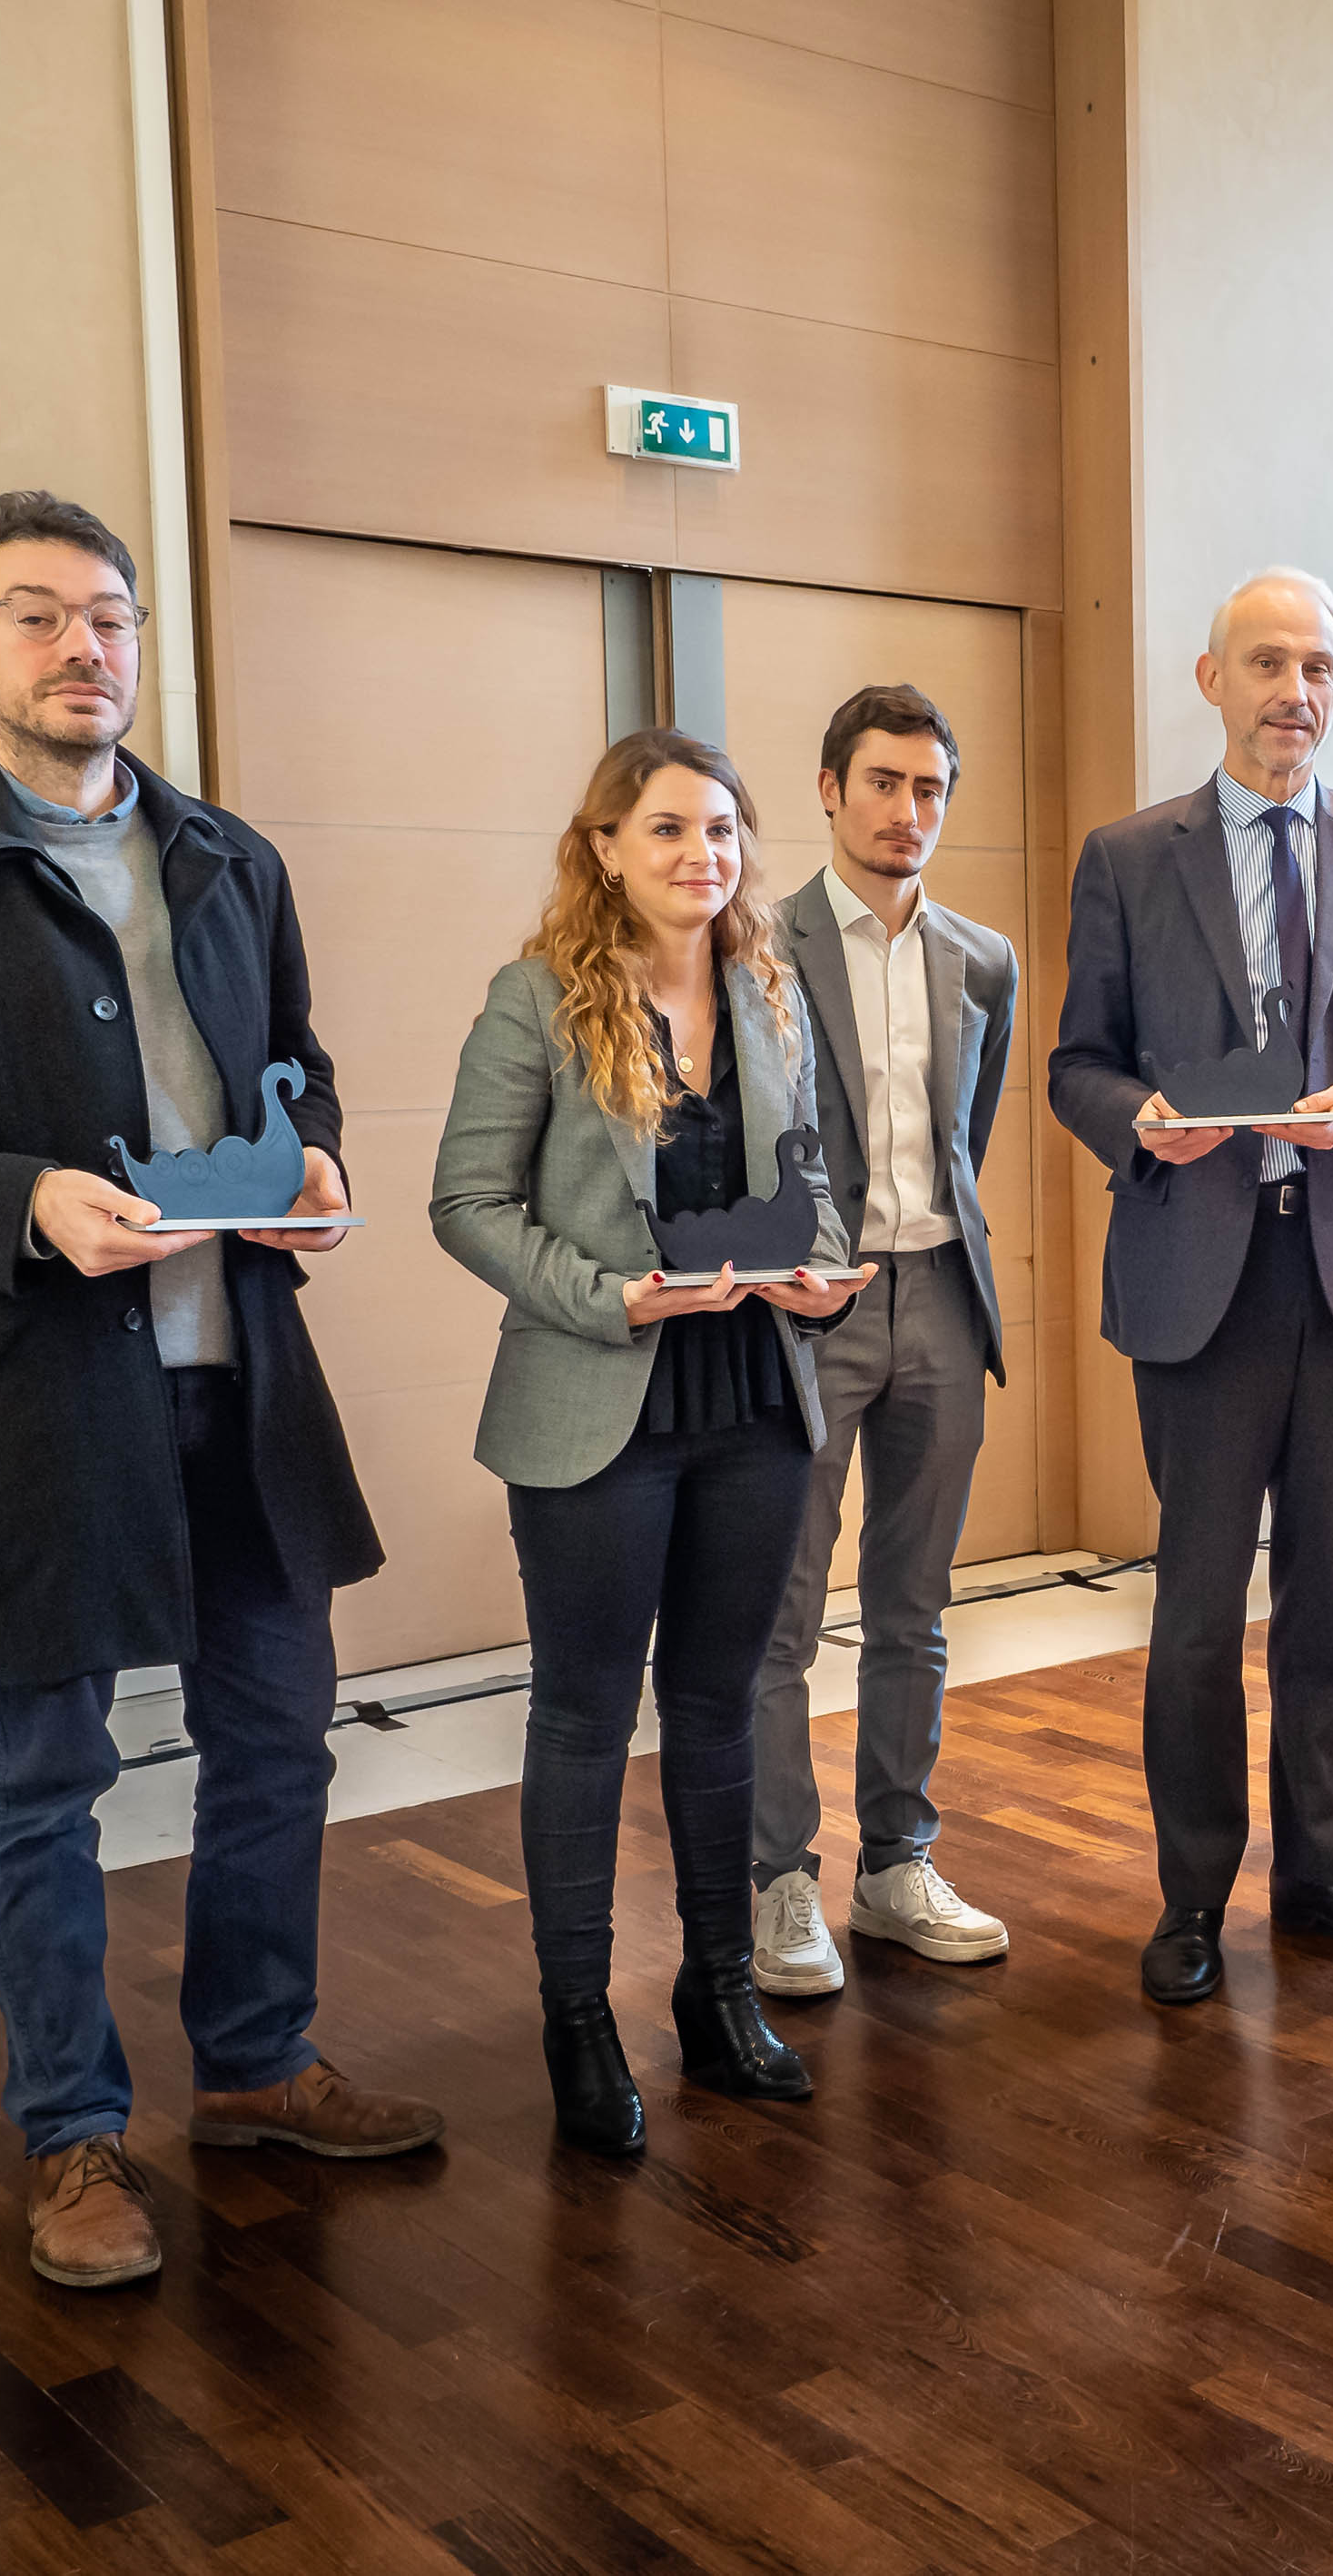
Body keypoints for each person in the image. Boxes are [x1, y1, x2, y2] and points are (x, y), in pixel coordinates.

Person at [0, 489, 436, 2293]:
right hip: (32, 1393)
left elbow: (293, 1069)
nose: (86, 648)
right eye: (40, 616)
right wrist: (18, 1203)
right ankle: (70, 2131)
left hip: (242, 1378)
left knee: (281, 1733)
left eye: (111, 618)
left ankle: (256, 2061)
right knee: (40, 1771)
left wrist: (312, 1170)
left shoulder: (230, 856)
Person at [1046, 568, 1333, 2006]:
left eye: (1314, 667)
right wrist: (1138, 1123)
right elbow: (1077, 1063)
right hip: (1198, 1276)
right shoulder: (1126, 858)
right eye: (1264, 665)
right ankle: (1190, 1896)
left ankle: (1328, 1873)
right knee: (1193, 1609)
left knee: (1331, 1597)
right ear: (1209, 680)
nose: (1292, 693)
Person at [430, 728, 860, 2151]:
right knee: (581, 1713)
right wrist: (604, 1297)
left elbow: (814, 1184)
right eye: (669, 828)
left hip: (752, 1397)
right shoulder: (537, 998)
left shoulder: (770, 991)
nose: (703, 855)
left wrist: (822, 1269)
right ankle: (576, 2017)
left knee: (719, 1706)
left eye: (724, 830)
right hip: (598, 1403)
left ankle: (718, 1991)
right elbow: (467, 1206)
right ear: (605, 845)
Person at [745, 685, 1019, 1993]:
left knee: (915, 1608)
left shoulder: (982, 957)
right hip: (811, 1309)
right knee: (781, 1612)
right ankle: (777, 1878)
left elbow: (973, 1129)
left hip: (942, 1300)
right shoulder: (761, 943)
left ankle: (895, 1859)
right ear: (828, 790)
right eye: (882, 785)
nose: (907, 812)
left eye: (929, 789)